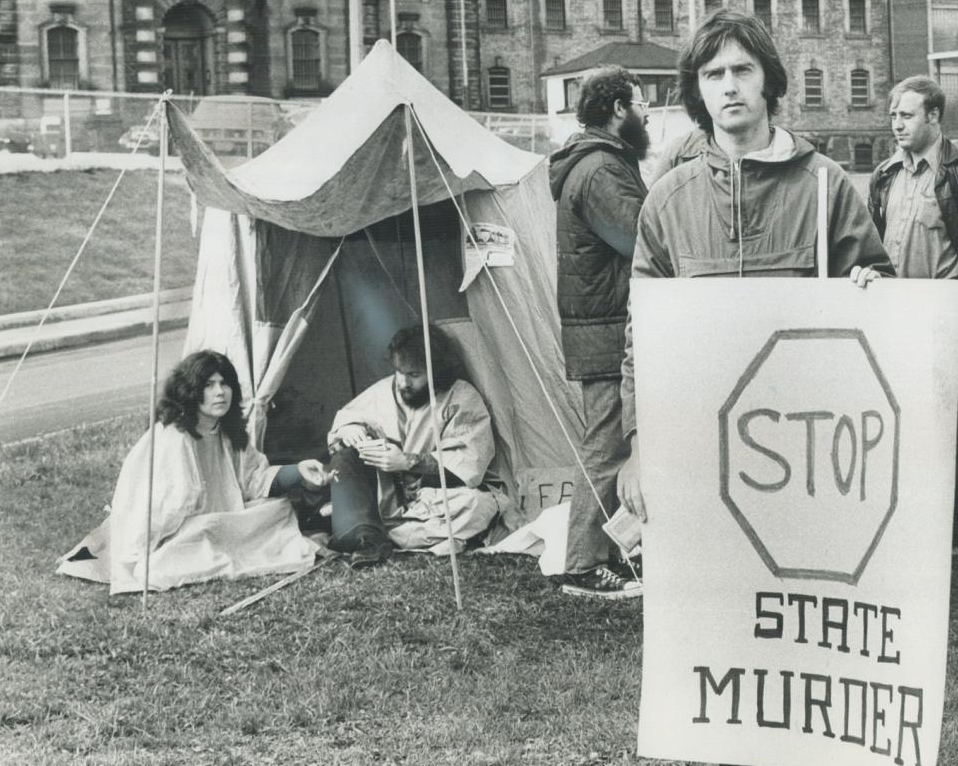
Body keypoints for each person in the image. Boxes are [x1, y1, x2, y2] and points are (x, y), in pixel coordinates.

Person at [615, 9, 896, 766]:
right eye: (712, 76)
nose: (729, 87)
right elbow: (642, 331)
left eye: (742, 71)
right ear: (695, 94)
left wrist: (870, 287)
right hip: (711, 457)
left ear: (769, 80)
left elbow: (877, 289)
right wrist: (635, 443)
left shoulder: (823, 187)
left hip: (810, 453)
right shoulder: (669, 200)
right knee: (729, 616)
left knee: (822, 612)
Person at [868, 75, 958, 557]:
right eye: (893, 115)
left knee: (956, 428)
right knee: (897, 424)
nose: (897, 124)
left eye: (907, 115)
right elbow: (873, 245)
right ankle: (908, 521)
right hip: (894, 322)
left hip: (945, 324)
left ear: (934, 117)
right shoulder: (885, 174)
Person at [58, 350, 327, 593]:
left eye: (224, 384)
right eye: (208, 385)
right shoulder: (175, 436)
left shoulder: (225, 429)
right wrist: (138, 554)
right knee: (206, 531)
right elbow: (167, 507)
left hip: (219, 517)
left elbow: (253, 479)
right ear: (190, 391)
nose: (220, 392)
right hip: (170, 528)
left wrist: (299, 470)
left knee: (276, 509)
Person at [548, 65, 649, 600]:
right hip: (607, 331)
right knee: (607, 446)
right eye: (641, 101)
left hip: (602, 327)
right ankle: (584, 563)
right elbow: (643, 240)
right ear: (617, 110)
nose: (647, 111)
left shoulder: (594, 164)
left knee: (608, 442)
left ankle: (607, 555)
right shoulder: (601, 171)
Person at [326, 323, 508, 567]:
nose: (403, 383)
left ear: (436, 371)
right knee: (344, 456)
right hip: (387, 498)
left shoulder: (461, 397)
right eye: (399, 372)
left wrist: (406, 461)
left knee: (477, 505)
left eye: (414, 375)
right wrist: (350, 431)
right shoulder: (386, 389)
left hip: (433, 498)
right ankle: (368, 533)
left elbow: (468, 461)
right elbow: (350, 417)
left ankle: (373, 532)